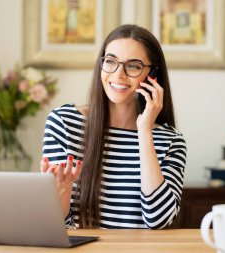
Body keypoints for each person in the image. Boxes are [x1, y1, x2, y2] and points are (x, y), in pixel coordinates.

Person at [40, 24, 187, 229]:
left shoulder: (171, 142)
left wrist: (145, 132)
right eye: (110, 62)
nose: (118, 75)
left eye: (133, 66)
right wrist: (62, 190)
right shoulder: (64, 123)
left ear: (152, 74)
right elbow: (54, 223)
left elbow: (158, 220)